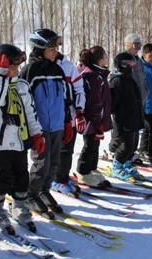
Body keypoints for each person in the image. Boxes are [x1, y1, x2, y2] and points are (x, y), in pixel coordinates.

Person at [0, 44, 45, 234]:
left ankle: (19, 207)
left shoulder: (22, 86)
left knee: (22, 176)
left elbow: (30, 113)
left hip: (19, 140)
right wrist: (0, 75)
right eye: (12, 66)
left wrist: (37, 133)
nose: (15, 71)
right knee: (3, 177)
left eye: (17, 67)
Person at [19, 28, 73, 218]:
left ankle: (44, 190)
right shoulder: (29, 71)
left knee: (54, 162)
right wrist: (29, 129)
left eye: (56, 47)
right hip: (39, 128)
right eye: (52, 47)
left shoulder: (57, 69)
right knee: (41, 163)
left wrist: (67, 122)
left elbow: (65, 98)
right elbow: (22, 103)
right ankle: (31, 193)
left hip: (57, 124)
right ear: (40, 47)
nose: (55, 51)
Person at [74, 46, 113, 186]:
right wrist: (97, 123)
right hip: (92, 120)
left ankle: (92, 169)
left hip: (97, 119)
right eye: (106, 55)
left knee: (94, 145)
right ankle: (83, 172)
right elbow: (94, 102)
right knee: (89, 145)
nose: (108, 58)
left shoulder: (98, 74)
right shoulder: (92, 76)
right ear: (101, 59)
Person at [52, 46, 86, 197]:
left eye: (55, 48)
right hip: (52, 118)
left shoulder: (68, 66)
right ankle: (56, 178)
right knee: (54, 150)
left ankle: (62, 176)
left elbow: (79, 88)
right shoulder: (42, 67)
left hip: (69, 117)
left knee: (67, 149)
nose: (53, 51)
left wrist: (79, 111)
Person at [109, 52, 145, 181]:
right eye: (128, 64)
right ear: (121, 65)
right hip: (123, 121)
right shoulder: (117, 81)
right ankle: (117, 166)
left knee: (133, 145)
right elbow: (112, 104)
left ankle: (126, 164)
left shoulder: (129, 79)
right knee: (125, 146)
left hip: (134, 119)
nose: (131, 67)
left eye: (133, 64)